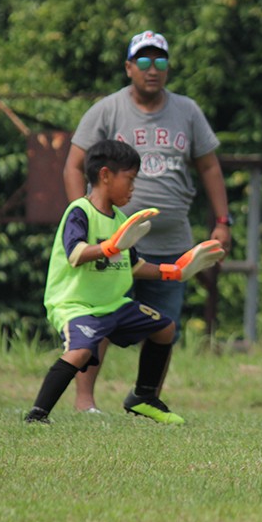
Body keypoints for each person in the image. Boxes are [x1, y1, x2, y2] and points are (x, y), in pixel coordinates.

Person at [63, 30, 232, 413]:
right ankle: (85, 401)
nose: (152, 69)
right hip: (114, 244)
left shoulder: (187, 111)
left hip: (171, 242)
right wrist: (84, 217)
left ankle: (145, 396)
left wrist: (223, 221)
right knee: (98, 320)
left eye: (160, 61)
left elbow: (209, 167)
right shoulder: (107, 110)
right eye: (143, 61)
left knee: (165, 325)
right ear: (129, 67)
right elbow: (73, 165)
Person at [25, 140, 225, 424]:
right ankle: (38, 414)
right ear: (105, 175)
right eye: (130, 179)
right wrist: (111, 246)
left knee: (165, 328)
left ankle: (143, 397)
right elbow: (76, 255)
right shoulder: (79, 211)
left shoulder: (121, 220)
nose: (133, 188)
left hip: (114, 304)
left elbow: (133, 265)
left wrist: (176, 271)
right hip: (77, 306)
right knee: (80, 352)